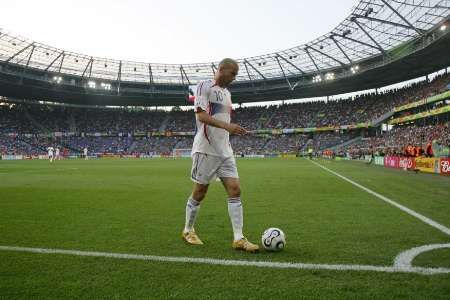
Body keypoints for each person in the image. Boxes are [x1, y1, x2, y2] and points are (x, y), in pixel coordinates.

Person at [182, 58, 259, 252]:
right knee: (200, 193)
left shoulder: (227, 93)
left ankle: (239, 238)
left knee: (235, 190)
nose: (234, 78)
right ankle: (188, 230)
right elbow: (200, 115)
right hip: (206, 149)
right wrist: (228, 126)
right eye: (232, 73)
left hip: (225, 150)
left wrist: (232, 129)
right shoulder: (203, 86)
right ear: (222, 69)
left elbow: (222, 119)